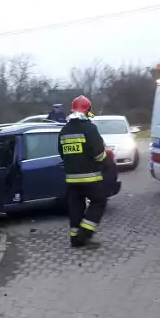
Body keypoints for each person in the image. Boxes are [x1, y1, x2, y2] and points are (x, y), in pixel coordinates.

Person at [58, 95, 109, 248]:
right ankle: (84, 235)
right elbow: (99, 154)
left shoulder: (64, 130)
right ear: (87, 110)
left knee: (76, 206)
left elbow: (61, 153)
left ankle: (74, 238)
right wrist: (107, 164)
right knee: (99, 202)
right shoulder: (90, 128)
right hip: (90, 178)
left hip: (71, 179)